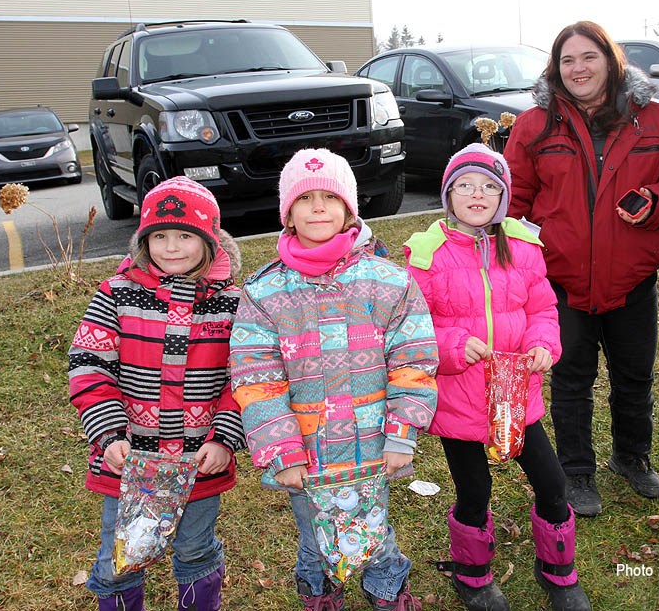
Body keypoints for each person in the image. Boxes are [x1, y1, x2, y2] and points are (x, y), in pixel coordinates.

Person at [229, 148, 438, 611]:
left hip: (373, 445)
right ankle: (321, 594)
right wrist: (280, 451)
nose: (318, 207)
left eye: (329, 197)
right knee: (314, 534)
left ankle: (387, 590)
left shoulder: (389, 282)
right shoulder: (264, 293)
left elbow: (414, 359)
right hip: (306, 452)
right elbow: (256, 378)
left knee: (375, 528)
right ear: (288, 214)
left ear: (349, 208)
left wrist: (402, 434)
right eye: (305, 199)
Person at [504, 21, 659, 518]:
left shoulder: (654, 119)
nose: (579, 68)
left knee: (634, 376)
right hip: (561, 282)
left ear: (611, 61)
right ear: (556, 68)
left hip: (631, 278)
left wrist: (656, 200)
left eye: (589, 57)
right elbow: (513, 200)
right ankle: (576, 470)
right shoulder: (535, 125)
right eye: (568, 60)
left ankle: (632, 456)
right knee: (571, 379)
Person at [404, 143, 590, 611]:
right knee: (474, 491)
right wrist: (450, 345)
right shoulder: (426, 253)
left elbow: (543, 308)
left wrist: (544, 345)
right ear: (447, 194)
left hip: (516, 395)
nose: (477, 194)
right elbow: (410, 326)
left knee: (552, 484)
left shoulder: (524, 246)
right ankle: (473, 574)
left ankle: (558, 569)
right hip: (460, 399)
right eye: (464, 185)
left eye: (490, 186)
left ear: (504, 197)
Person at [69, 177, 245, 611]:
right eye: (159, 236)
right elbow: (89, 365)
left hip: (198, 460)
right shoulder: (116, 294)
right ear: (143, 240)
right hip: (128, 461)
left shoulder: (235, 303)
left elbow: (246, 377)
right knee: (120, 556)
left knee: (194, 550)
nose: (171, 247)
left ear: (210, 240)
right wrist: (109, 435)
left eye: (185, 235)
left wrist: (224, 437)